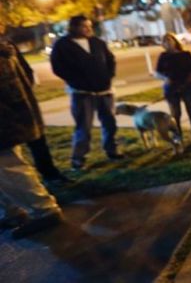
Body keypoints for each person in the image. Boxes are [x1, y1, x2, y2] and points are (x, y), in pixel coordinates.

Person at [0, 38, 64, 239]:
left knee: (8, 166)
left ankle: (43, 209)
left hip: (5, 118)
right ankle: (12, 211)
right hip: (12, 115)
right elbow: (26, 74)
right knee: (8, 165)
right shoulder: (5, 46)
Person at [50, 15, 122, 170]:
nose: (89, 29)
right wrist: (75, 80)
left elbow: (111, 60)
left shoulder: (97, 42)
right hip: (82, 93)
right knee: (84, 127)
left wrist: (108, 76)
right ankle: (78, 158)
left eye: (90, 26)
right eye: (84, 26)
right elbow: (58, 67)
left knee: (110, 123)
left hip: (104, 91)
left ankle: (111, 150)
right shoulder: (63, 45)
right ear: (74, 27)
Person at [155, 33, 191, 140]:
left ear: (175, 41)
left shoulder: (186, 54)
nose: (168, 43)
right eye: (165, 41)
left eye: (169, 40)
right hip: (171, 89)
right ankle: (177, 135)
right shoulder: (163, 56)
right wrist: (165, 79)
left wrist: (186, 82)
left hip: (187, 87)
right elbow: (158, 72)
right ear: (163, 44)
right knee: (175, 114)